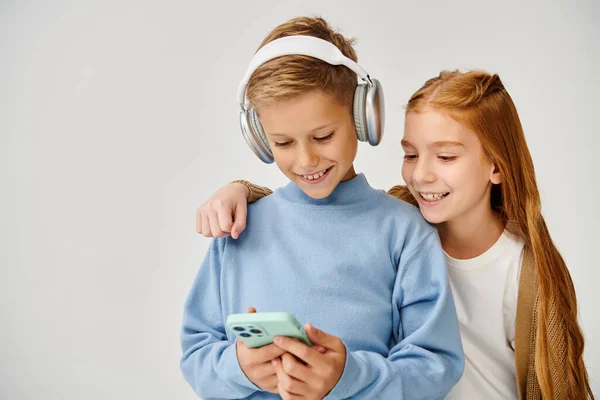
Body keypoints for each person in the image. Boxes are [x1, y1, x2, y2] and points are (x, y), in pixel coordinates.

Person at [196, 69, 594, 399]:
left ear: (497, 166)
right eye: (410, 154)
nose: (422, 174)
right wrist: (242, 191)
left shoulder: (524, 273)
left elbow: (559, 382)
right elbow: (328, 213)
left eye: (446, 156)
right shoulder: (405, 222)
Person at [181, 16, 464, 400]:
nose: (306, 159)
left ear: (362, 117)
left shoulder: (403, 232)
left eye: (323, 136)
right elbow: (196, 351)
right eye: (283, 143)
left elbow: (436, 364)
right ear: (260, 140)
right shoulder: (238, 227)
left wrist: (345, 377)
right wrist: (240, 368)